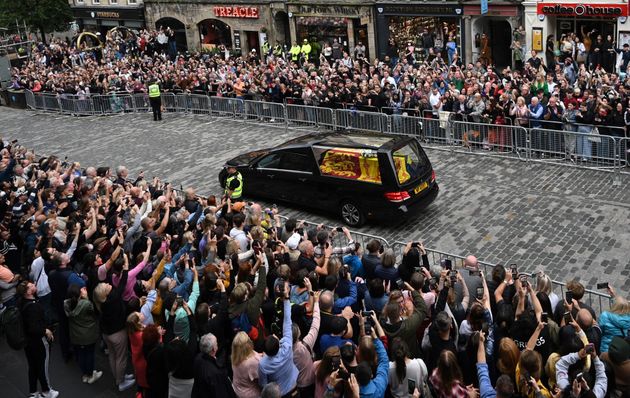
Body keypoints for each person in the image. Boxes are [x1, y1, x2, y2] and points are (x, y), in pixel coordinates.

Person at [93, 253, 136, 392]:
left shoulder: (102, 302)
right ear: (106, 293)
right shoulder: (114, 299)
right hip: (117, 333)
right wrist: (127, 265)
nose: (107, 283)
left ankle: (119, 376)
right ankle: (121, 381)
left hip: (107, 333)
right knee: (121, 358)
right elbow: (123, 282)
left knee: (112, 356)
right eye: (106, 285)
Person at [17, 281, 59, 398]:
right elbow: (34, 327)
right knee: (42, 366)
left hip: (27, 342)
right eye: (32, 286)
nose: (34, 285)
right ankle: (47, 391)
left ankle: (33, 392)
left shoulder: (21, 302)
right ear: (28, 292)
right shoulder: (33, 306)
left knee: (33, 366)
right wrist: (45, 330)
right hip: (38, 342)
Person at [64, 284, 103, 384]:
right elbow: (95, 312)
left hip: (76, 335)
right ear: (79, 294)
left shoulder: (66, 304)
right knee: (89, 354)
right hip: (88, 335)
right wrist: (87, 298)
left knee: (81, 355)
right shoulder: (86, 304)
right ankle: (90, 375)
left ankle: (85, 374)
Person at [192, 332, 235, 398]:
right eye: (216, 343)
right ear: (213, 349)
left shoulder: (198, 358)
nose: (217, 344)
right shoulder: (215, 373)